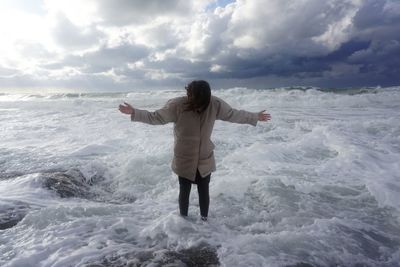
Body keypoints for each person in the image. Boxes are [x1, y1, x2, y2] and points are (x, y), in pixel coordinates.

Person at [119, 80, 271, 221]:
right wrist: (135, 112)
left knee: (203, 190)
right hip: (184, 157)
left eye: (199, 98)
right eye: (190, 96)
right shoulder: (177, 105)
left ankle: (205, 221)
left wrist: (254, 117)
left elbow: (233, 114)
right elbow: (156, 117)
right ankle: (183, 221)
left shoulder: (214, 103)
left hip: (205, 157)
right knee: (184, 190)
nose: (193, 100)